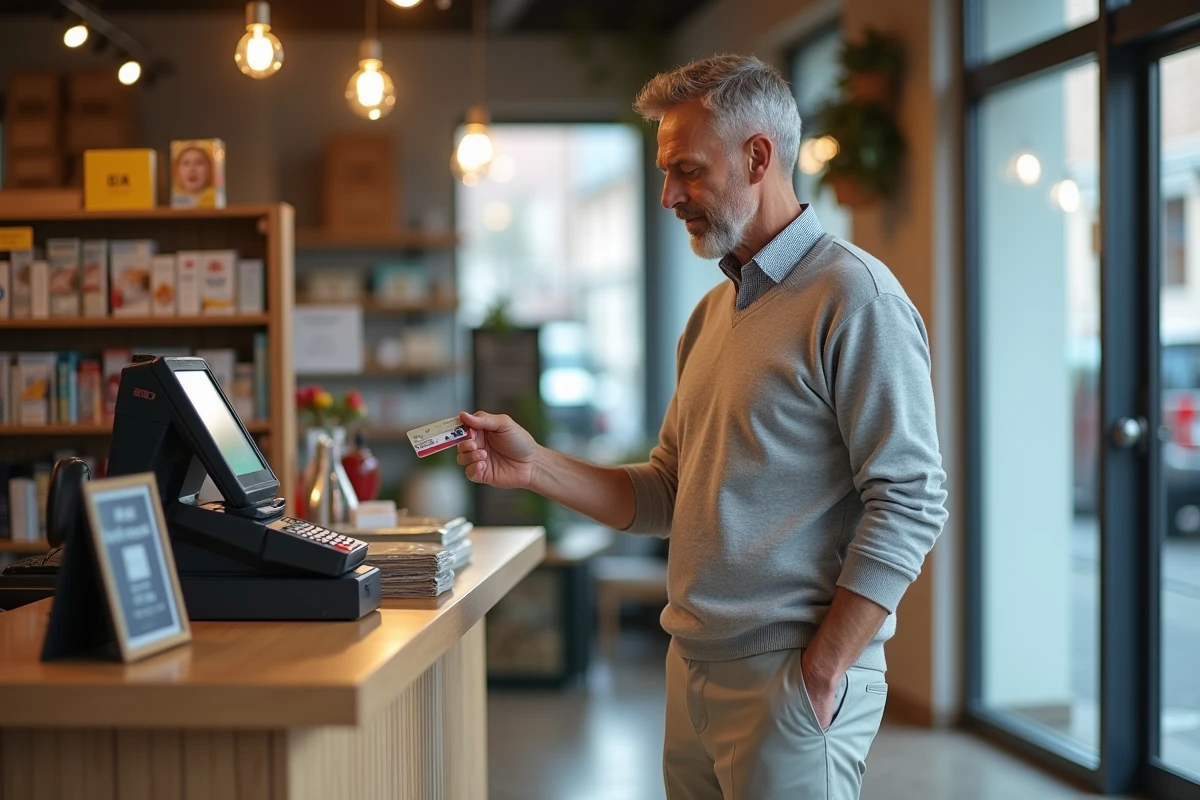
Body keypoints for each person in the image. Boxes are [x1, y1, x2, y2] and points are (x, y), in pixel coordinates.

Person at [456, 53, 948, 800]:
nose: (669, 196)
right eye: (665, 173)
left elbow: (910, 499)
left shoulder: (856, 298)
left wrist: (823, 669)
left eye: (687, 171)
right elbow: (666, 494)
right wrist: (534, 467)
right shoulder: (710, 315)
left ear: (758, 157)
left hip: (791, 677)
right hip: (691, 667)